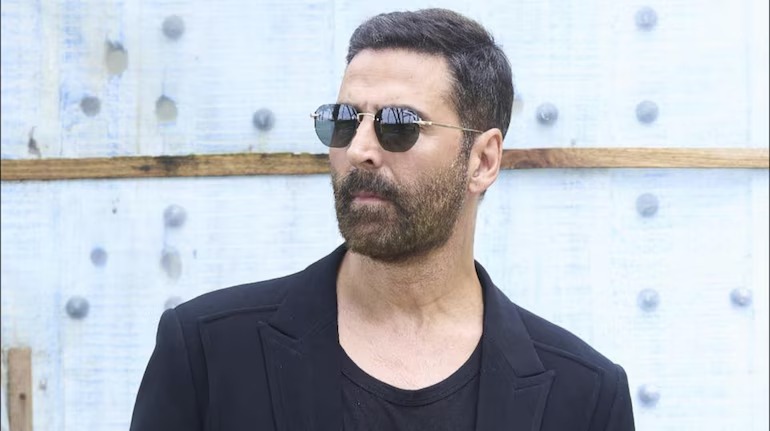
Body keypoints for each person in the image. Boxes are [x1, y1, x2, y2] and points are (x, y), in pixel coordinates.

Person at [130, 8, 635, 431]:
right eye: (343, 121)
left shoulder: (585, 395)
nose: (360, 150)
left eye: (399, 125)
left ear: (482, 161)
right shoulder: (208, 353)